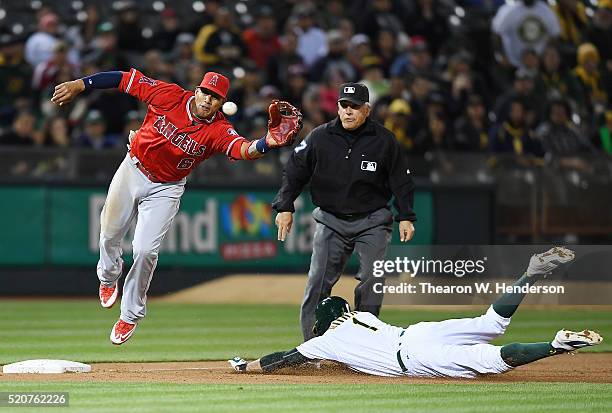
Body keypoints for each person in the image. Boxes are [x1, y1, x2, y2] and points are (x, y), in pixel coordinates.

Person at [51, 69, 302, 345]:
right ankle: (109, 277)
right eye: (206, 92)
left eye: (216, 97)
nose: (208, 100)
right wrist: (80, 84)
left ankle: (130, 315)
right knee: (110, 233)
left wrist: (267, 143)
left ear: (221, 103)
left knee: (146, 250)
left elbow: (241, 149)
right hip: (133, 167)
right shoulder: (168, 95)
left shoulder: (218, 129)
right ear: (197, 90)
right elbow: (123, 79)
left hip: (167, 188)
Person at [229, 247, 604, 378]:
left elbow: (281, 360)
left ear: (323, 323)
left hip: (416, 356)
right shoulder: (363, 317)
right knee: (491, 322)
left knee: (490, 360)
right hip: (419, 332)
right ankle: (530, 274)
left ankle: (554, 345)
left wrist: (246, 366)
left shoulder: (325, 342)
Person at [272, 82, 416, 341]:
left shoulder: (384, 140)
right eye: (344, 105)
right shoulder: (320, 136)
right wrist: (284, 205)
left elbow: (401, 180)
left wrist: (405, 215)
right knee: (317, 284)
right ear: (337, 107)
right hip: (331, 220)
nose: (348, 111)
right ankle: (312, 346)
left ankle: (365, 344)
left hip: (372, 220)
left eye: (355, 106)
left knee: (373, 280)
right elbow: (295, 170)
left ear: (367, 110)